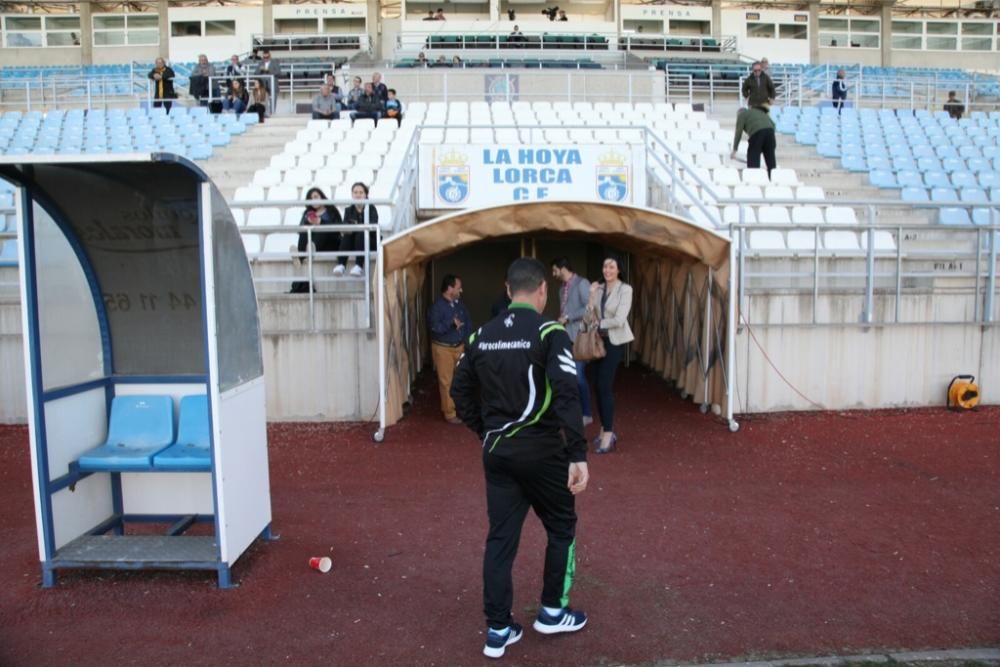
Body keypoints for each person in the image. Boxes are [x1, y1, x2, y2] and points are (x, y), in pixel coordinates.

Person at [450, 257, 589, 660]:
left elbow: (460, 394)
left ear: (508, 292)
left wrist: (485, 432)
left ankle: (498, 630)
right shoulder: (550, 331)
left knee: (500, 540)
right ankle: (552, 611)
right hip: (545, 454)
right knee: (561, 527)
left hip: (498, 455)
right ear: (543, 290)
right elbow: (567, 393)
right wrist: (578, 454)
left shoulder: (480, 336)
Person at [587, 255, 633, 454]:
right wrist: (591, 296)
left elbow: (620, 319)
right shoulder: (599, 290)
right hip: (598, 342)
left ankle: (608, 432)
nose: (607, 270)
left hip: (614, 342)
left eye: (611, 267)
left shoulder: (625, 290)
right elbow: (588, 315)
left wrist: (599, 324)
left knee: (604, 385)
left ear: (618, 270)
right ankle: (604, 426)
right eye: (605, 266)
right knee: (596, 385)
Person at [552, 257, 593, 427]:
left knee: (578, 376)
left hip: (579, 337)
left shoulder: (582, 283)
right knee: (568, 376)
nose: (553, 274)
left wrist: (568, 317)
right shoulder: (561, 289)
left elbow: (589, 308)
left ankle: (587, 413)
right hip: (565, 336)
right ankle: (574, 411)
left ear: (562, 268)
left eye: (554, 270)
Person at [428, 274, 472, 424]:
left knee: (462, 379)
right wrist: (451, 323)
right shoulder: (437, 306)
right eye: (458, 287)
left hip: (459, 347)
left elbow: (467, 322)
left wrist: (467, 343)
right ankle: (449, 413)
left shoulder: (460, 304)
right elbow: (435, 328)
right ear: (449, 288)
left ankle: (461, 409)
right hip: (443, 349)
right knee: (446, 381)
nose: (461, 290)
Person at [291, 187, 343, 293]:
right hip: (311, 242)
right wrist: (308, 222)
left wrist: (321, 222)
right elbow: (300, 230)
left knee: (322, 229)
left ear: (322, 197)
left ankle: (308, 252)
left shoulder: (332, 210)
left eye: (316, 197)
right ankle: (300, 257)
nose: (314, 200)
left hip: (330, 243)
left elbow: (338, 230)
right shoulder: (307, 212)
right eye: (311, 198)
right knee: (305, 230)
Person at [336, 182, 379, 277]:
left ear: (366, 194)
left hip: (370, 241)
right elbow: (345, 225)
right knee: (347, 236)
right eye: (355, 192)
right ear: (352, 194)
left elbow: (372, 225)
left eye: (361, 192)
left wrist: (356, 226)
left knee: (361, 233)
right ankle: (341, 264)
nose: (358, 195)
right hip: (353, 241)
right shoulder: (348, 210)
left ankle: (359, 266)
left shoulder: (371, 208)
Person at [731, 104, 777, 178]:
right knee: (771, 162)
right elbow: (773, 125)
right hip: (770, 133)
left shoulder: (742, 115)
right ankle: (773, 180)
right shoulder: (759, 112)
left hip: (757, 134)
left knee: (753, 159)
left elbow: (738, 132)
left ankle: (754, 180)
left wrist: (735, 149)